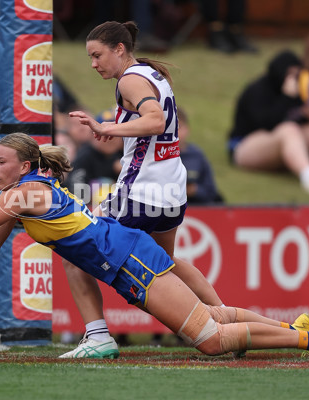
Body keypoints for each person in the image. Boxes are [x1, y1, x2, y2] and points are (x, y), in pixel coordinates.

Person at [0, 133, 309, 362]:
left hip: (127, 258)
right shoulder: (20, 195)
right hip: (123, 255)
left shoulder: (25, 194)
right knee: (211, 324)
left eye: (0, 162)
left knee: (210, 340)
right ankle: (298, 326)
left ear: (21, 166)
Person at [65, 20, 224, 359]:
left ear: (119, 49)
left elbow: (156, 120)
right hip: (171, 191)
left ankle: (97, 336)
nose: (93, 64)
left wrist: (108, 125)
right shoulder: (152, 75)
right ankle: (224, 319)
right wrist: (122, 129)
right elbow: (154, 125)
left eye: (97, 55)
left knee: (74, 253)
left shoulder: (129, 80)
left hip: (140, 193)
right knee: (166, 263)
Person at [227, 49, 309, 195]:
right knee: (288, 129)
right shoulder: (257, 90)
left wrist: (306, 115)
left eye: (296, 74)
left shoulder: (295, 89)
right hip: (246, 147)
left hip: (281, 141)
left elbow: (293, 118)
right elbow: (267, 124)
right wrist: (286, 97)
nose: (293, 78)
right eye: (290, 74)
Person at [177, 107, 223, 204]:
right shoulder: (156, 155)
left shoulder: (197, 155)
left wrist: (194, 190)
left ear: (187, 129)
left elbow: (211, 192)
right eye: (170, 128)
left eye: (179, 127)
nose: (175, 132)